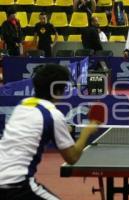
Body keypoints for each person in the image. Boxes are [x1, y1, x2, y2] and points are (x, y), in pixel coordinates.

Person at [0, 63, 100, 199]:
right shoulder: (53, 115)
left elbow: (35, 129)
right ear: (59, 91)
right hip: (15, 185)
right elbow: (72, 157)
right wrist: (86, 132)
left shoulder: (23, 105)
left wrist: (65, 128)